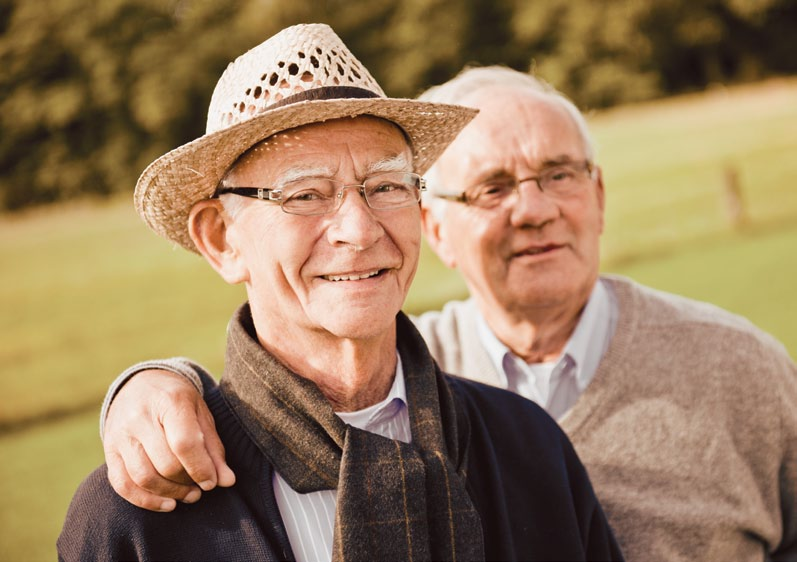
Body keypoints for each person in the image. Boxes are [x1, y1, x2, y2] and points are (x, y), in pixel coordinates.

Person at [97, 63, 797, 560]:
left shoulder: (738, 365)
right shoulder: (395, 376)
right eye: (492, 188)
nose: (534, 208)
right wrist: (153, 383)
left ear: (599, 195)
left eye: (559, 174)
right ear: (435, 229)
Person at [58, 24, 623, 562]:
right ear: (221, 239)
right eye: (304, 194)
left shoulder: (528, 445)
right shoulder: (136, 517)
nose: (359, 228)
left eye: (384, 185)